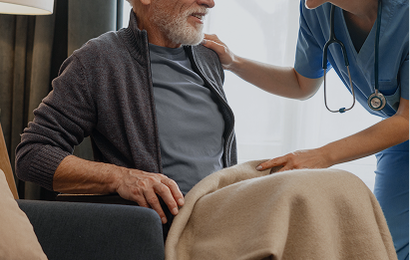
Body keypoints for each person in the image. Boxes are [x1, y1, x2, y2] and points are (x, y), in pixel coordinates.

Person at [202, 0, 408, 259]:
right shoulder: (318, 8)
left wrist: (321, 156)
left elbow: (406, 120)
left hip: (402, 127)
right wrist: (234, 62)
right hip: (400, 143)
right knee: (386, 248)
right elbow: (301, 84)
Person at [15, 0, 236, 228]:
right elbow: (32, 155)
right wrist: (121, 177)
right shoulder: (98, 60)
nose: (209, 2)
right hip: (163, 234)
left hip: (225, 222)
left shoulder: (208, 57)